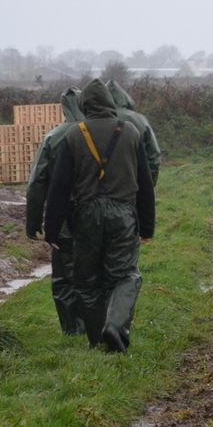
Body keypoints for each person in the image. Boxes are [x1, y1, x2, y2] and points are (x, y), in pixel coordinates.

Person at [44, 78, 156, 353]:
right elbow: (144, 184)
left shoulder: (73, 135)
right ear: (109, 102)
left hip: (86, 215)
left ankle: (97, 339)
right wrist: (147, 227)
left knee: (86, 281)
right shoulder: (130, 132)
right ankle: (115, 326)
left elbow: (59, 187)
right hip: (123, 213)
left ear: (85, 105)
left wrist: (52, 229)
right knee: (126, 275)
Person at [25, 87, 86, 336]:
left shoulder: (54, 137)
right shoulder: (101, 133)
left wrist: (33, 221)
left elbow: (37, 182)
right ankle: (97, 323)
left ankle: (72, 329)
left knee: (64, 275)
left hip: (62, 217)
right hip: (96, 215)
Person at [105, 79, 162, 184]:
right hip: (134, 182)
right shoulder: (140, 120)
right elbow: (153, 155)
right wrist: (149, 184)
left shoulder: (92, 121)